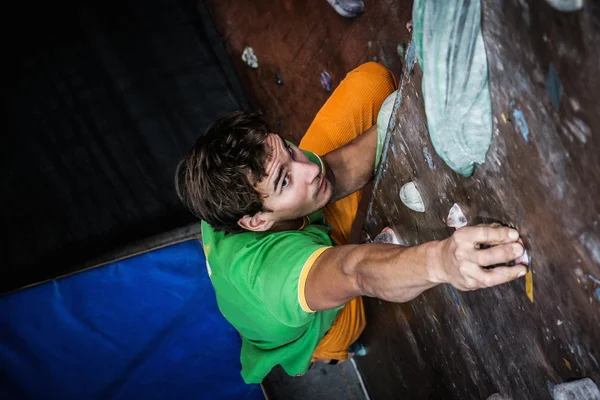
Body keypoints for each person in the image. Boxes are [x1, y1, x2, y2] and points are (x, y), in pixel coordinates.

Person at [174, 62, 528, 384]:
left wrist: (418, 110)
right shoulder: (273, 277)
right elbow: (353, 271)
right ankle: (342, 337)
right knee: (351, 311)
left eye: (289, 149)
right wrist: (443, 261)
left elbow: (339, 170)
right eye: (285, 179)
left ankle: (363, 239)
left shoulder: (244, 187)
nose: (310, 167)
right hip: (319, 323)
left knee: (373, 84)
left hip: (298, 227)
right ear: (255, 221)